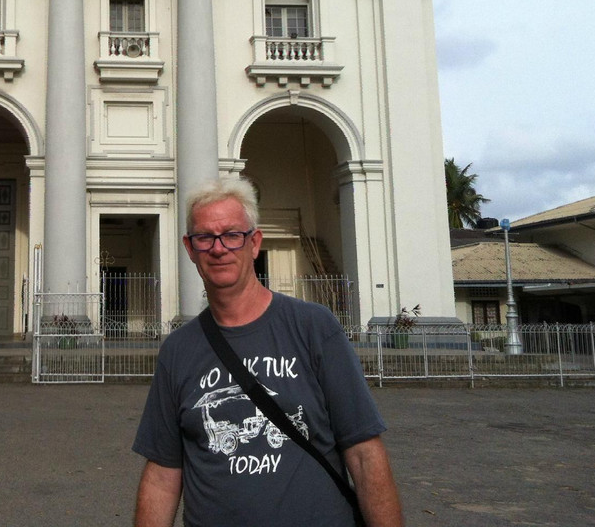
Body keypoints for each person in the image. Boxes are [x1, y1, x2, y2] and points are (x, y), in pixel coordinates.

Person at [132, 177, 403, 527]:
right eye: (205, 237)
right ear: (190, 248)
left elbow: (365, 454)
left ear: (254, 242)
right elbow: (162, 474)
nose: (218, 248)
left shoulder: (314, 328)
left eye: (232, 235)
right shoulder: (178, 350)